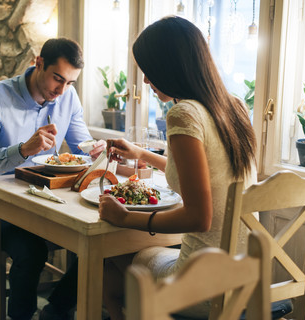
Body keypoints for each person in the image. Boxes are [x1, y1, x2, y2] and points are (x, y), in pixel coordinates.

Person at [98, 16, 257, 320]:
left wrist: (126, 216)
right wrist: (142, 153)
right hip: (247, 274)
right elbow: (210, 171)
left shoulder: (183, 113)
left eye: (149, 70)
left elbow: (199, 217)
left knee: (107, 262)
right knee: (124, 269)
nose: (145, 80)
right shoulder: (234, 106)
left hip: (204, 283)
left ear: (170, 66)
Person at [0, 37, 105, 320]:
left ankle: (57, 309)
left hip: (41, 201)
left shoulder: (67, 98)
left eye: (70, 83)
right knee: (32, 251)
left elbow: (81, 149)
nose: (61, 91)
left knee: (95, 242)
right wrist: (22, 150)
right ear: (39, 63)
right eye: (57, 79)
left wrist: (95, 151)